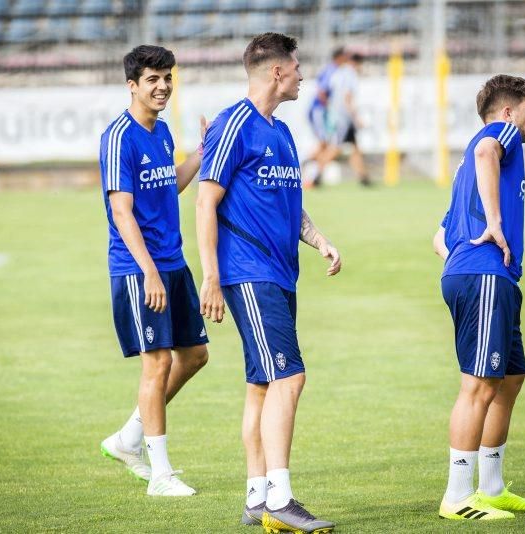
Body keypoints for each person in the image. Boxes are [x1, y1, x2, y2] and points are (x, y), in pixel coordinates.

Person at [196, 33, 341, 533]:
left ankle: (258, 497)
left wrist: (317, 238)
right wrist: (211, 278)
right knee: (290, 377)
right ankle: (281, 497)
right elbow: (203, 202)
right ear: (277, 73)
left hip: (281, 274)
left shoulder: (281, 132)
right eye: (298, 67)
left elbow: (288, 199)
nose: (303, 74)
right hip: (248, 273)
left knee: (261, 385)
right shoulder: (233, 124)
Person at [97, 45, 209, 497]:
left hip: (172, 261)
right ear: (132, 85)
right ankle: (160, 475)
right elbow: (121, 212)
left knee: (195, 355)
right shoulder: (119, 137)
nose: (162, 86)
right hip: (138, 267)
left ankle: (128, 438)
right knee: (158, 363)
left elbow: (172, 184)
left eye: (167, 77)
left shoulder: (161, 132)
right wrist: (148, 272)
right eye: (152, 79)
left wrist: (203, 152)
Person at [435, 74, 525, 520]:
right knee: (477, 386)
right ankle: (457, 497)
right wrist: (493, 225)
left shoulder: (469, 171)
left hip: (487, 276)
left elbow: (439, 235)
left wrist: (456, 259)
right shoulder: (497, 137)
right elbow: (485, 151)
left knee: (508, 379)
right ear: (507, 112)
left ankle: (492, 486)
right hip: (484, 276)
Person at [310, 52, 370, 187]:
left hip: (338, 116)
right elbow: (347, 98)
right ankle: (315, 176)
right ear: (357, 63)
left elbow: (330, 92)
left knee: (355, 147)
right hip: (344, 118)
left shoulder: (339, 73)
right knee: (335, 148)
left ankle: (364, 178)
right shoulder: (351, 75)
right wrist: (356, 118)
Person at [303, 47, 349, 182]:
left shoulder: (331, 70)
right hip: (319, 110)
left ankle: (314, 175)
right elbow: (321, 92)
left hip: (319, 110)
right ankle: (300, 164)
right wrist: (330, 107)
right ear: (339, 57)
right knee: (324, 143)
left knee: (325, 143)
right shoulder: (332, 71)